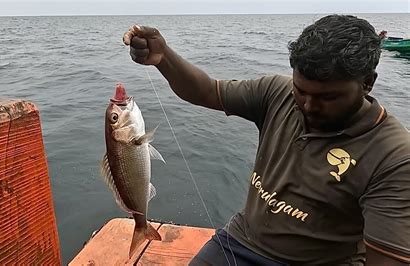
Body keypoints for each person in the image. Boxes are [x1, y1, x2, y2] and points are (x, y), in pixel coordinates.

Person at [122, 14, 410, 265]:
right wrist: (164, 58)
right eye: (302, 90)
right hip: (242, 241)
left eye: (328, 97)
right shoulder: (277, 92)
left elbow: (388, 258)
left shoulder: (394, 156)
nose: (308, 105)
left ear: (368, 83)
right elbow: (207, 91)